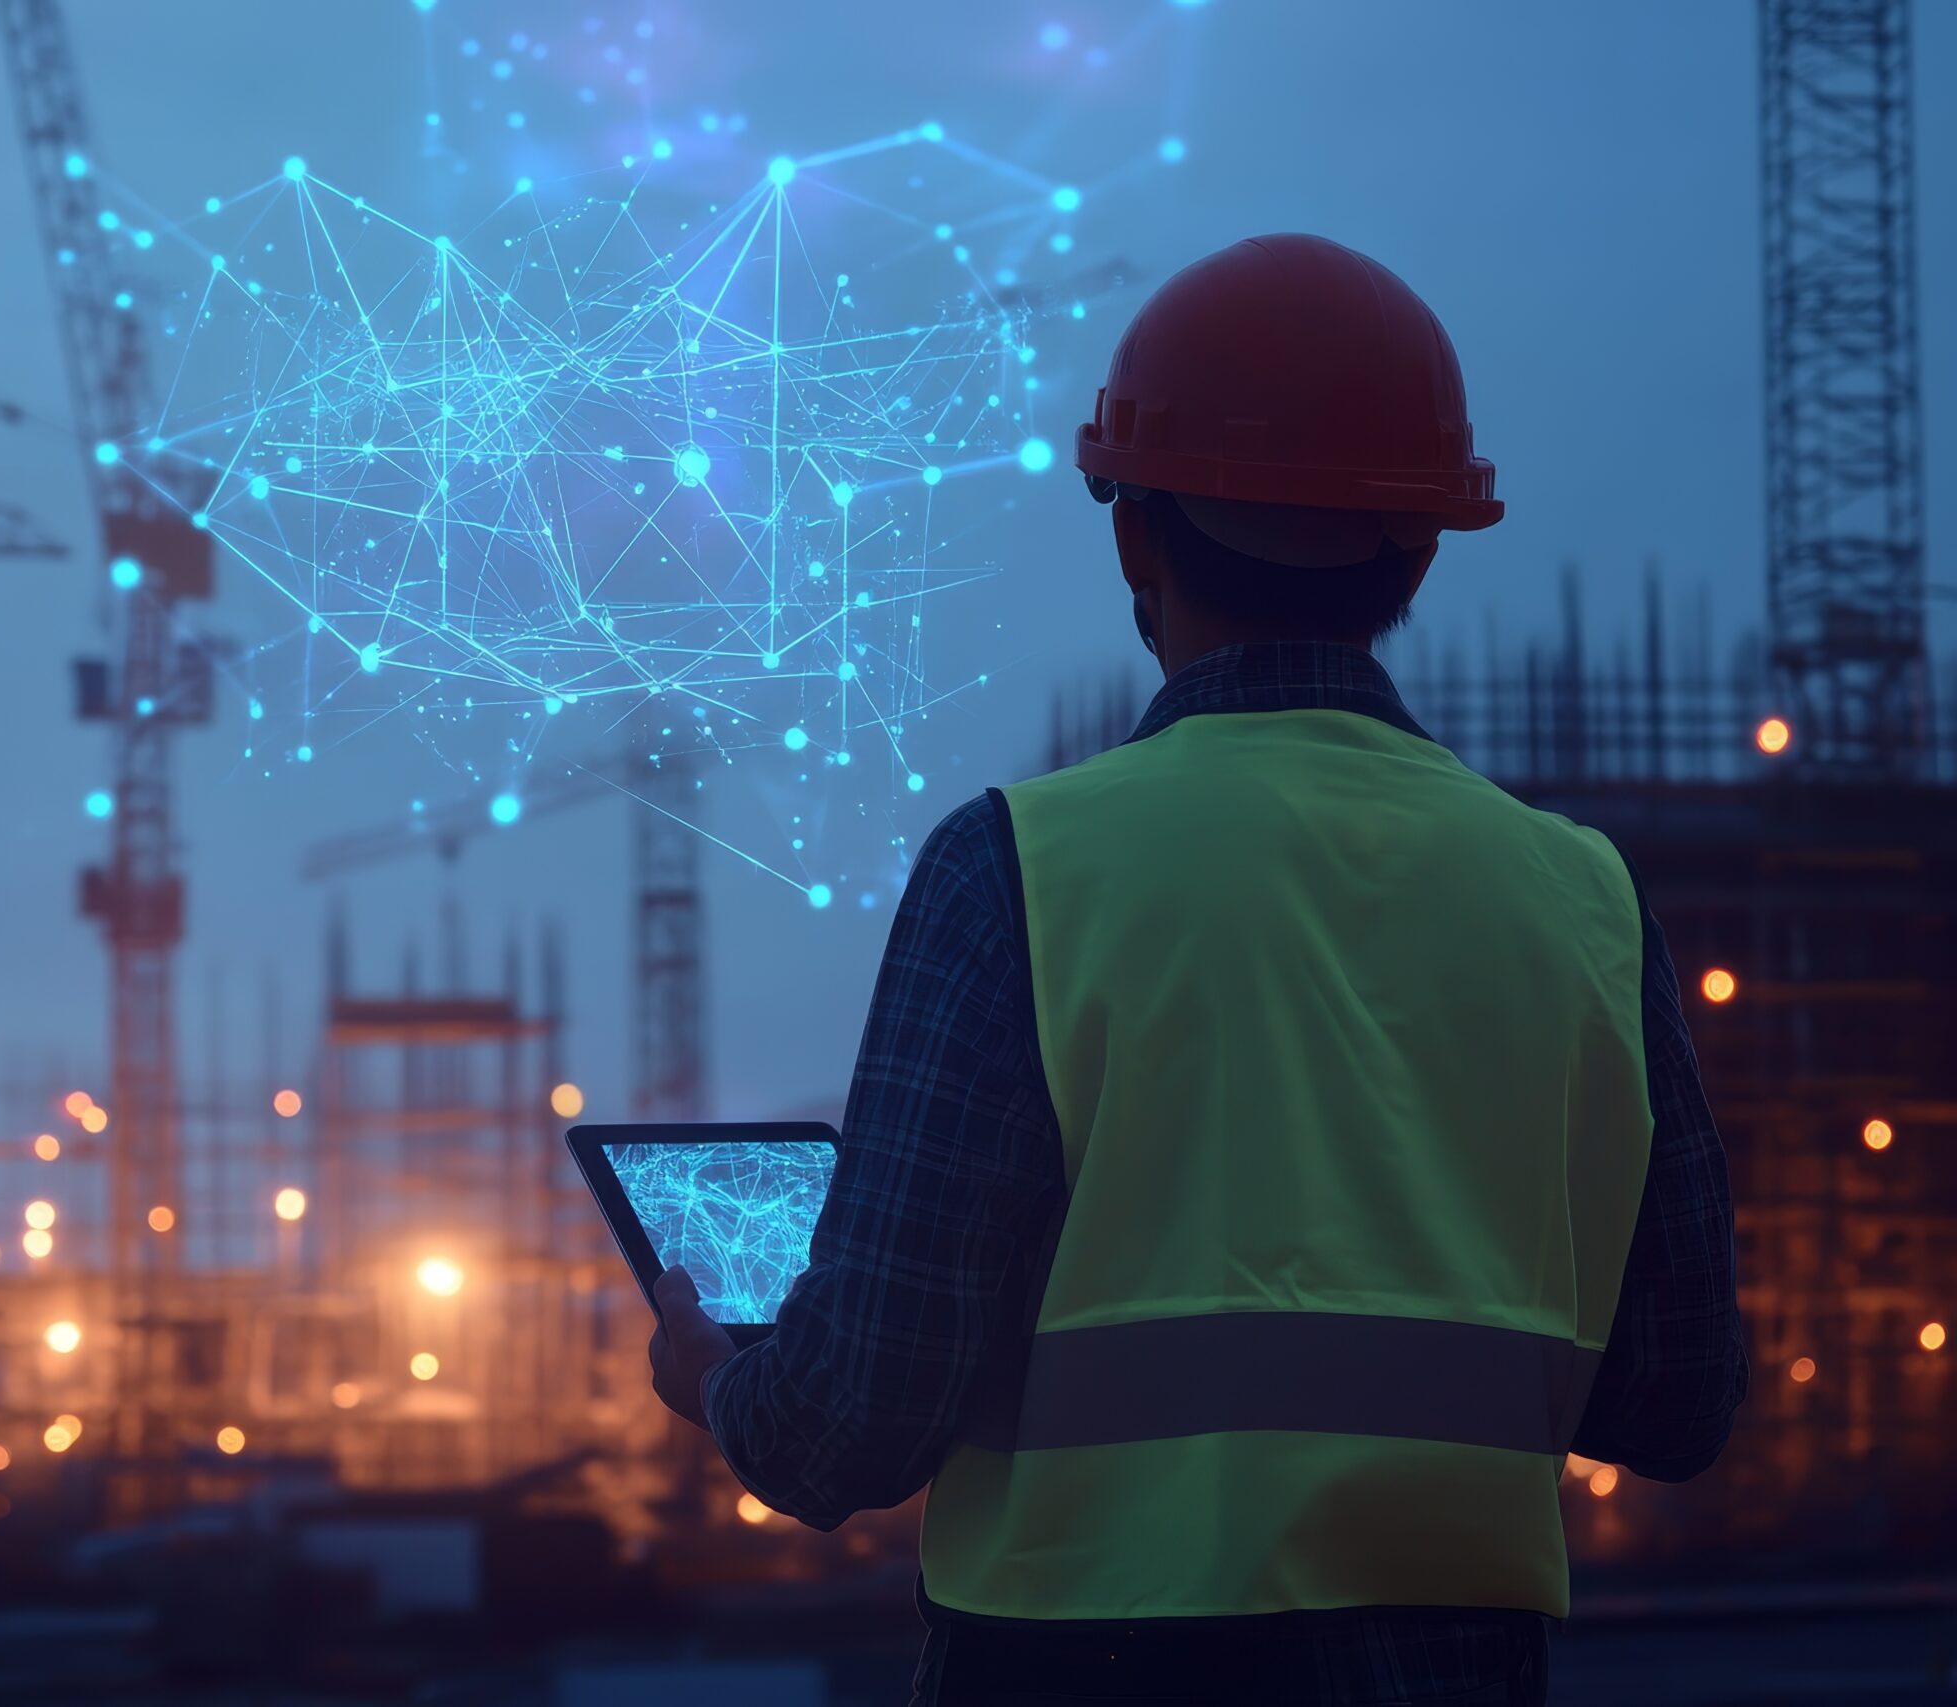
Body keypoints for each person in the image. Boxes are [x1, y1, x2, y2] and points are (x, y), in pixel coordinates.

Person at [645, 235, 1750, 1707]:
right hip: (1456, 1671)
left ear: (1133, 538)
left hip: (1079, 1670)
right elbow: (1676, 1400)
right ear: (1418, 547)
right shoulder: (1585, 900)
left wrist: (717, 1378)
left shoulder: (1020, 873)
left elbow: (852, 1422)